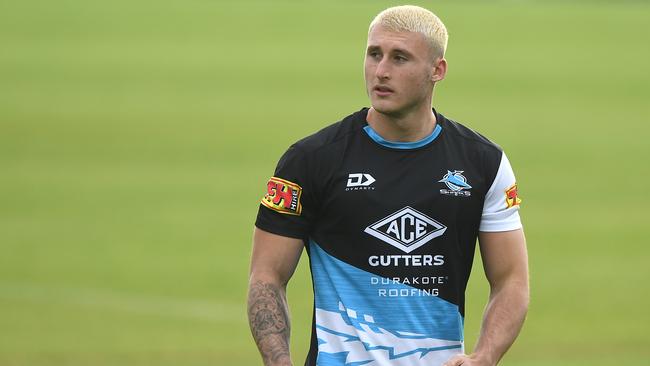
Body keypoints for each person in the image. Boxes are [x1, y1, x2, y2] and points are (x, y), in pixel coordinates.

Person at [247, 5, 529, 366]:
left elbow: (511, 281)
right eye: (374, 54)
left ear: (436, 70)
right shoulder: (311, 160)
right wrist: (278, 362)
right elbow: (266, 276)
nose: (381, 71)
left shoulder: (482, 163)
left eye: (400, 58)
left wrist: (486, 355)